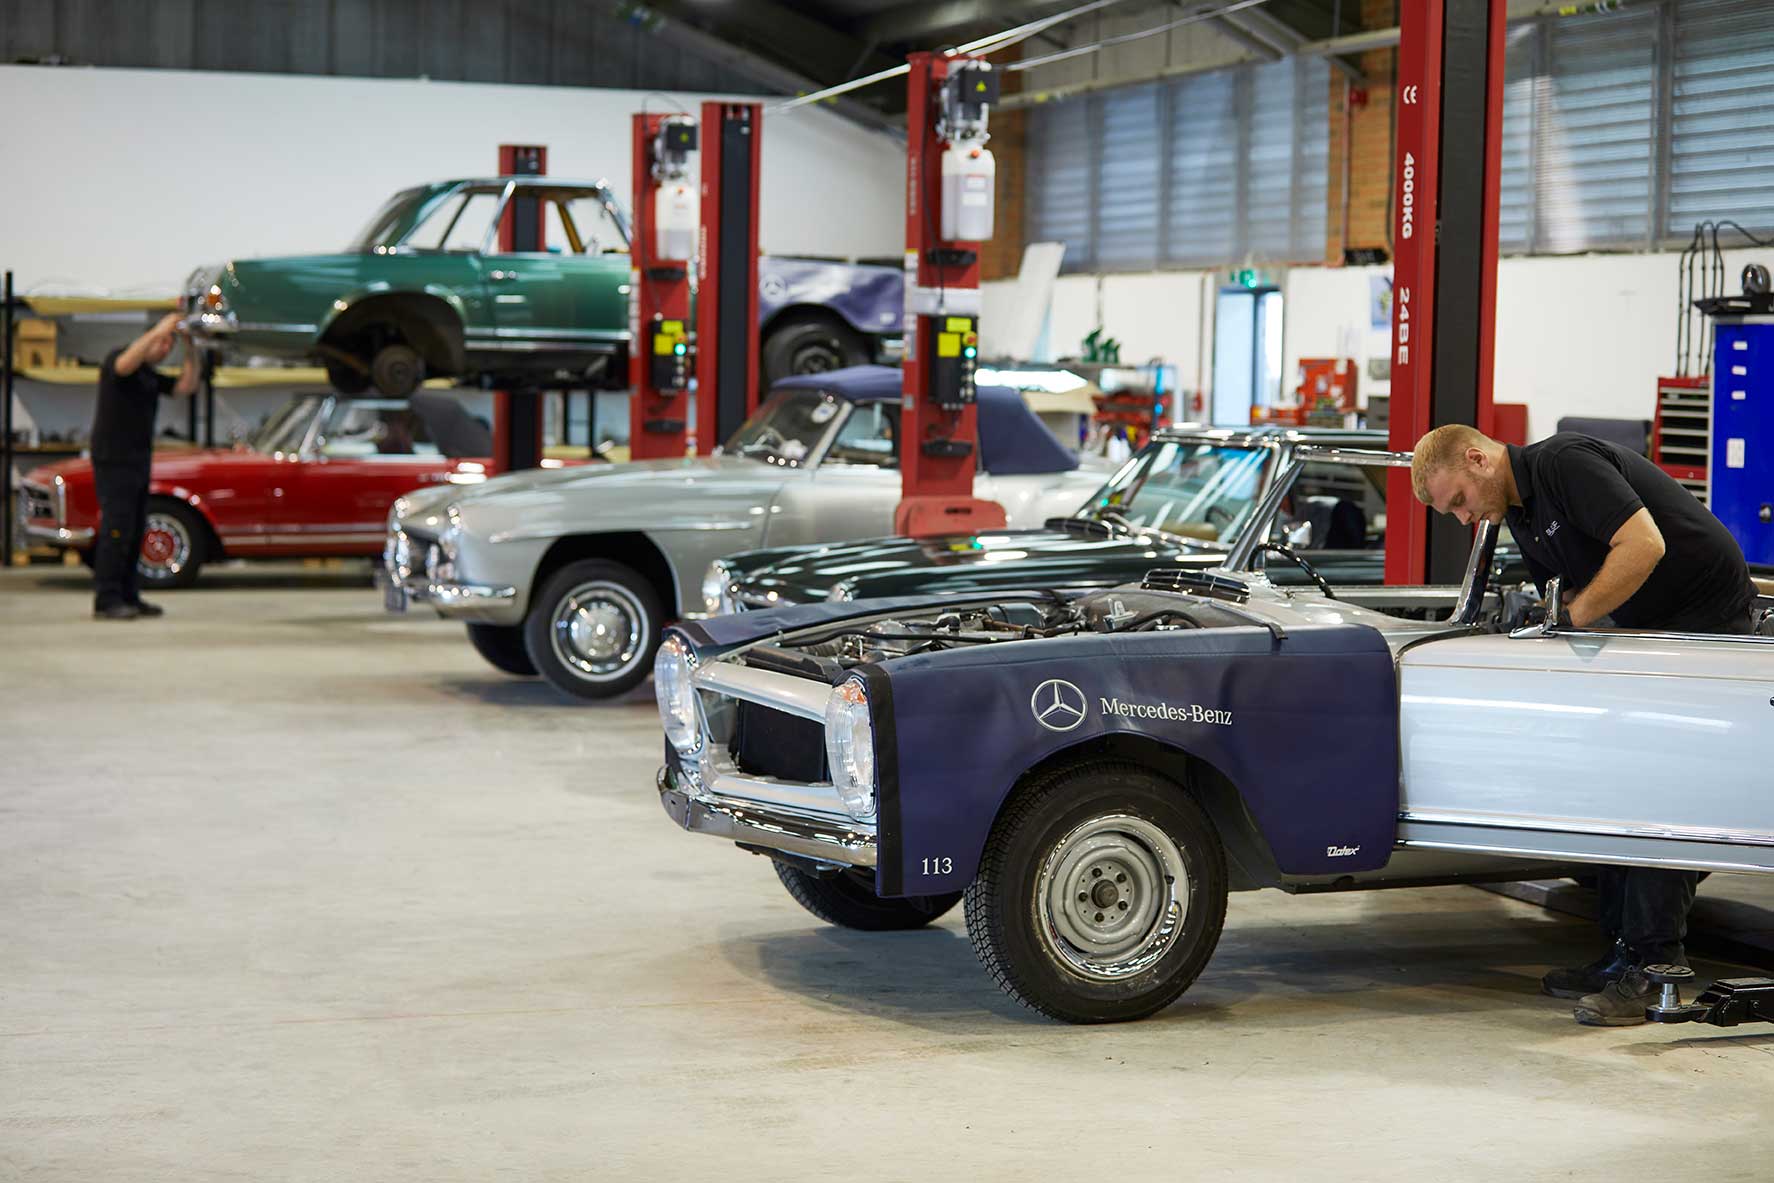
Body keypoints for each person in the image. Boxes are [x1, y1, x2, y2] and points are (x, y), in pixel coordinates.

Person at [1411, 423, 1756, 1027]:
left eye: (1460, 502)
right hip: (1655, 632)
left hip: (1709, 627)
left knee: (1658, 786)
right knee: (1615, 781)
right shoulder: (1519, 512)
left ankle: (1652, 968)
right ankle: (1622, 951)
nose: (1465, 519)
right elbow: (1580, 591)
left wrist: (1570, 617)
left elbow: (1644, 545)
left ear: (1477, 458)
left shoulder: (1563, 463)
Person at [89, 312, 200, 620]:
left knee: (136, 530)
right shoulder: (120, 361)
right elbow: (125, 363)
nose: (165, 348)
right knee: (117, 529)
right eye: (161, 341)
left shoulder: (150, 375)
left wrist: (190, 347)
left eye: (169, 345)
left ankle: (129, 595)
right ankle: (106, 598)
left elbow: (185, 387)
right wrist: (162, 327)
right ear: (148, 337)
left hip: (138, 459)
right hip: (114, 459)